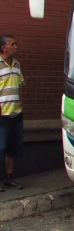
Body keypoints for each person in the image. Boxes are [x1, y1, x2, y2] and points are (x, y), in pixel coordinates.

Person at [0, 34, 25, 190]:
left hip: (16, 114)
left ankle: (9, 178)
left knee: (13, 148)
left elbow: (20, 85)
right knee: (0, 148)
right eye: (12, 44)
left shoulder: (17, 64)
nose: (16, 46)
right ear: (3, 47)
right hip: (2, 114)